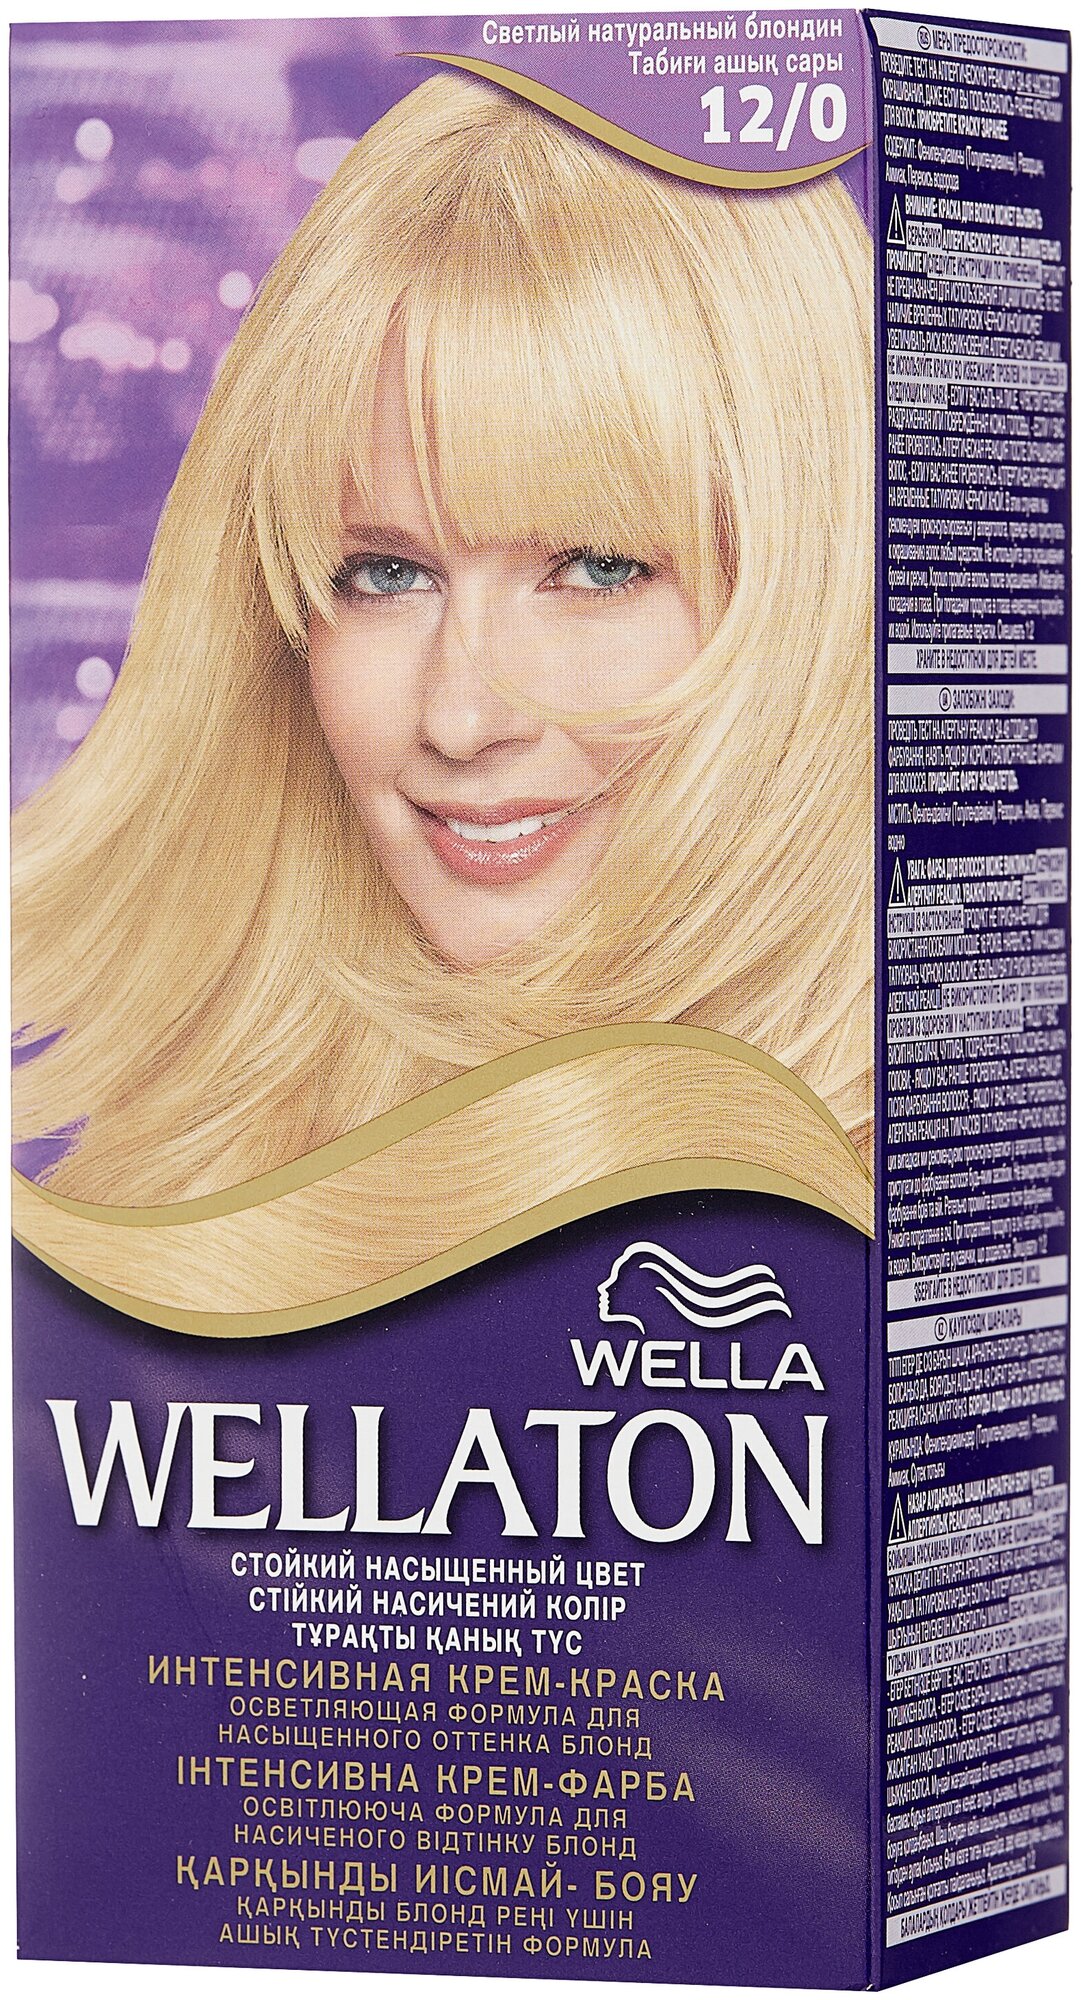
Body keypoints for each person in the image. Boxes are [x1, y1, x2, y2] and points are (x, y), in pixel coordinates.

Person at [12, 75, 874, 1317]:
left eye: (596, 567)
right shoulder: (177, 1173)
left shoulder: (886, 1212)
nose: (461, 718)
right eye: (385, 573)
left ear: (812, 592)